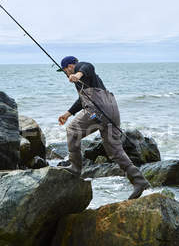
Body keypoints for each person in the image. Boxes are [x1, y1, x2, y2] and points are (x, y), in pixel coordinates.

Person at [57, 56, 149, 199]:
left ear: (69, 66)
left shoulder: (81, 68)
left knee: (72, 131)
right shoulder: (87, 82)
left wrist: (77, 74)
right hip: (111, 110)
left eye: (64, 71)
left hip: (96, 112)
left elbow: (88, 65)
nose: (66, 74)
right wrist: (68, 113)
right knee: (115, 150)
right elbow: (83, 100)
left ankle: (75, 168)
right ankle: (139, 180)